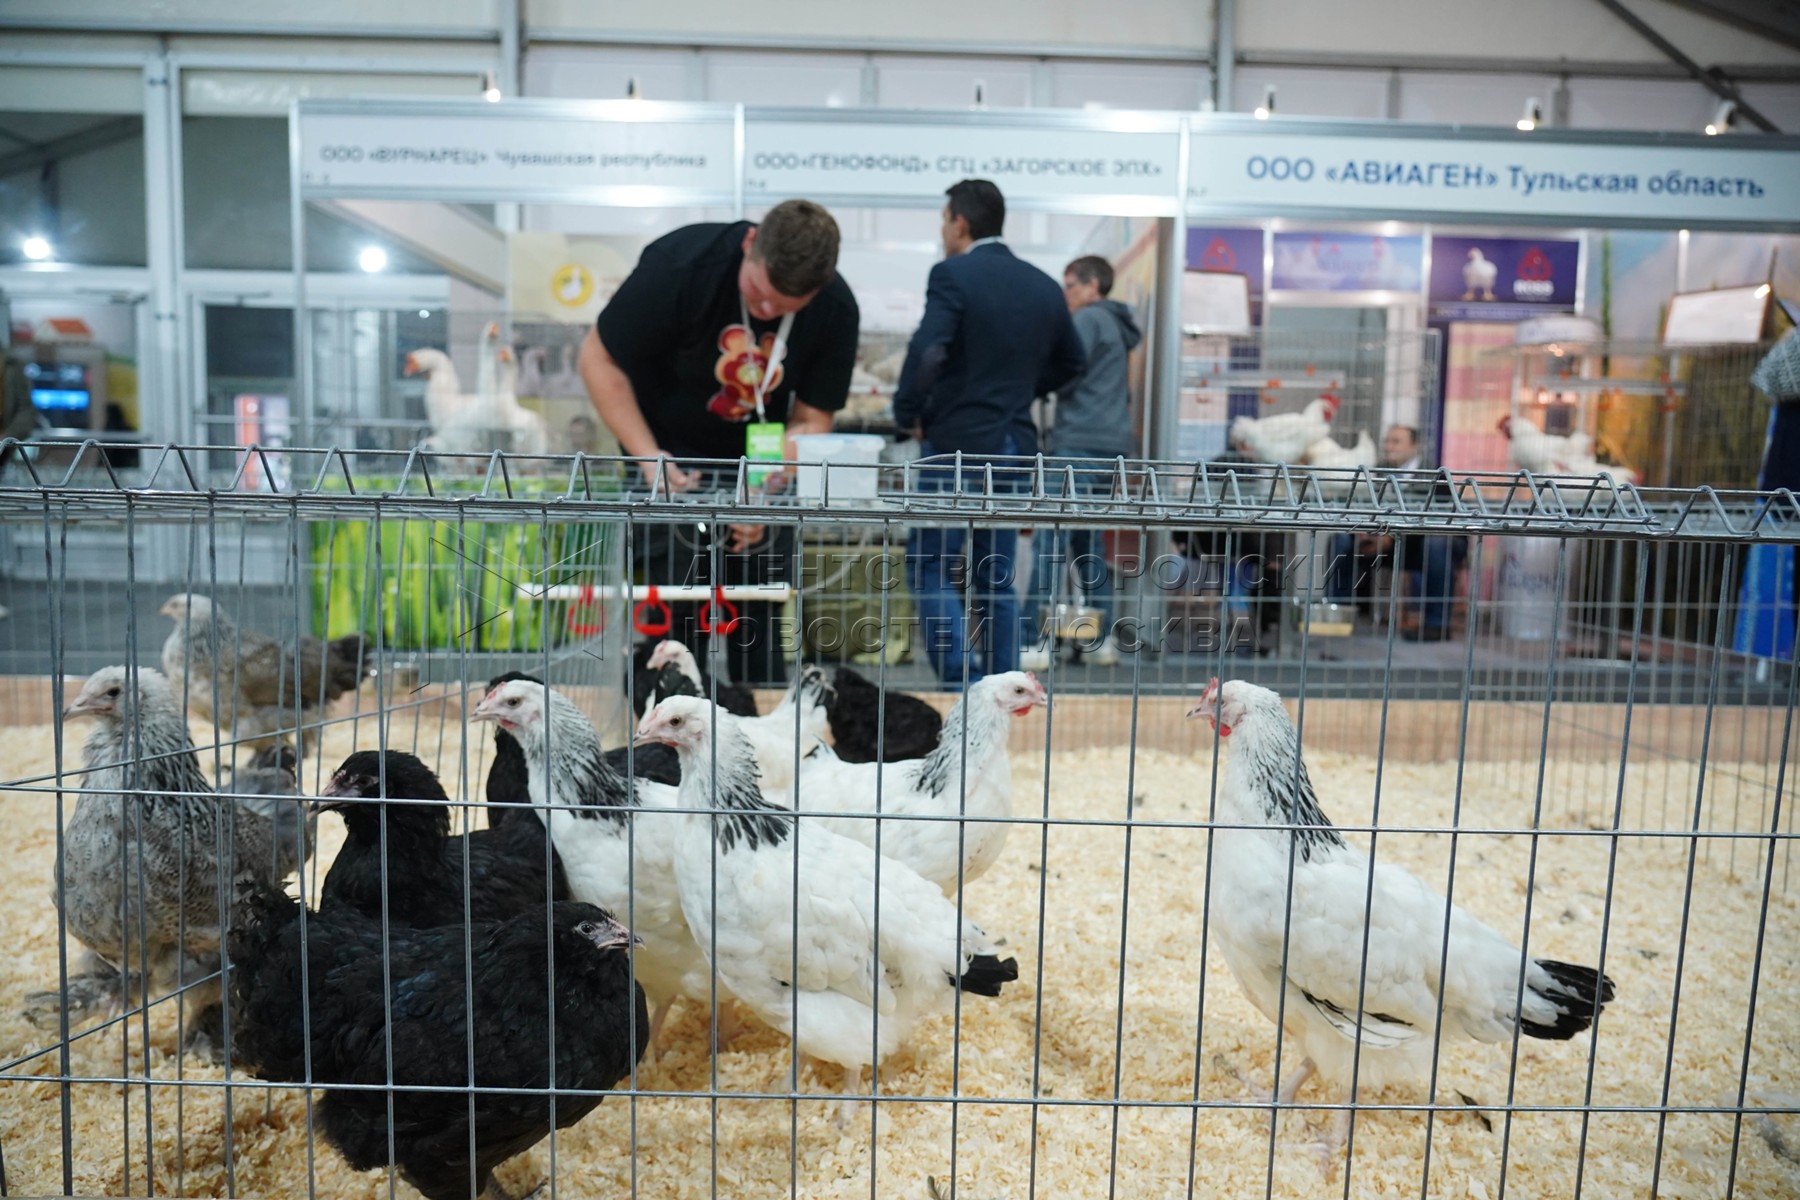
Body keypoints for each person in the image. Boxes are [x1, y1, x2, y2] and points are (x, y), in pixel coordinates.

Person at [579, 199, 860, 684]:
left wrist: (763, 488)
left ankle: (759, 717)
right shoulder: (680, 266)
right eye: (759, 293)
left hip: (763, 466)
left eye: (786, 307)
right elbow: (598, 359)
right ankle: (672, 713)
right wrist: (647, 456)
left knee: (758, 615)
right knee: (677, 618)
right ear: (750, 243)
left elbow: (813, 419)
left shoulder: (835, 307)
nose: (767, 311)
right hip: (667, 456)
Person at [894, 179, 1086, 687]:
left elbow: (928, 349)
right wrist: (1023, 389)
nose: (943, 231)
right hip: (1014, 444)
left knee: (931, 564)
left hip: (954, 443)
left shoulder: (952, 274)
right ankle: (1003, 687)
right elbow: (1073, 361)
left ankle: (961, 682)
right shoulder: (1043, 285)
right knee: (996, 574)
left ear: (960, 223)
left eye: (944, 221)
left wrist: (907, 410)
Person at [1020, 254, 1142, 671]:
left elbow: (1067, 369)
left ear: (1092, 286)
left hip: (1079, 443)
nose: (1065, 293)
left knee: (1050, 540)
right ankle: (1098, 640)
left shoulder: (1089, 319)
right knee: (1088, 544)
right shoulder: (1119, 325)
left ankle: (1035, 642)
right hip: (1111, 445)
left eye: (1070, 284)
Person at [1325, 424, 1465, 641]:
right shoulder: (1375, 472)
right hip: (1381, 543)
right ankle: (1336, 615)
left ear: (1415, 446)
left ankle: (1436, 624)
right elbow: (1360, 508)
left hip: (1420, 544)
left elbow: (1438, 520)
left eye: (1396, 441)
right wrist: (1365, 534)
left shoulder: (1435, 476)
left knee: (1437, 544)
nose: (1389, 447)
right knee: (1341, 540)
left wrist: (1391, 537)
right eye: (1387, 441)